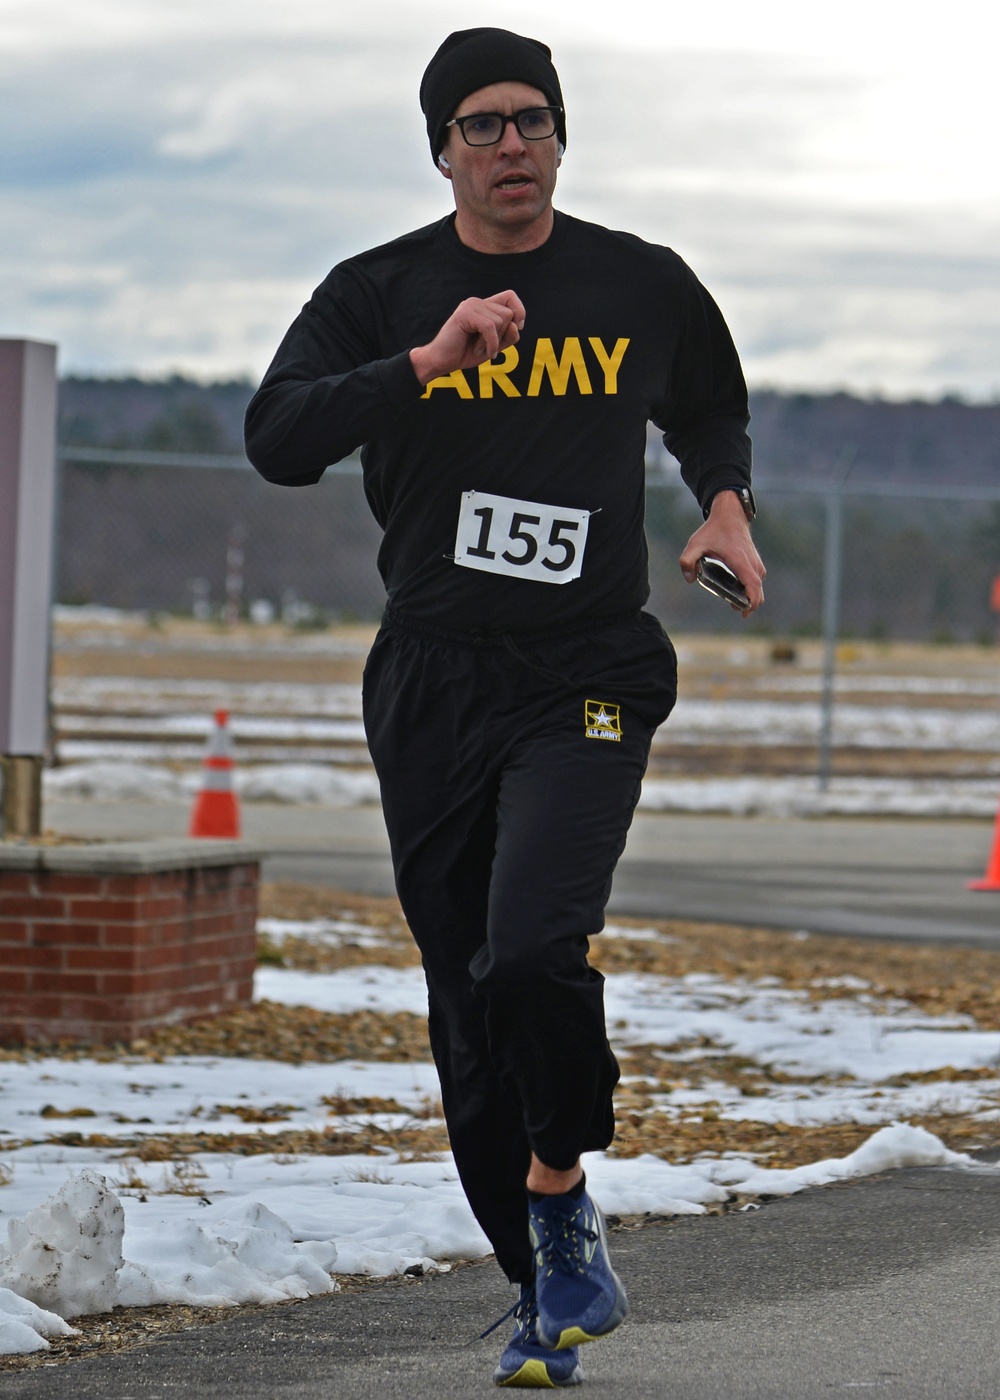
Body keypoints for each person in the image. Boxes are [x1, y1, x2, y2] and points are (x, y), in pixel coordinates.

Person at [245, 26, 765, 1388]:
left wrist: (723, 509)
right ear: (442, 149)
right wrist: (426, 361)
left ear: (562, 136)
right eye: (482, 123)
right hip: (432, 677)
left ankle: (556, 1189)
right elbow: (278, 438)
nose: (512, 143)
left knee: (534, 945)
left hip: (586, 669)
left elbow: (709, 405)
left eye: (533, 118)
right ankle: (541, 1276)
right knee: (466, 996)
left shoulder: (637, 283)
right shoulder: (381, 291)